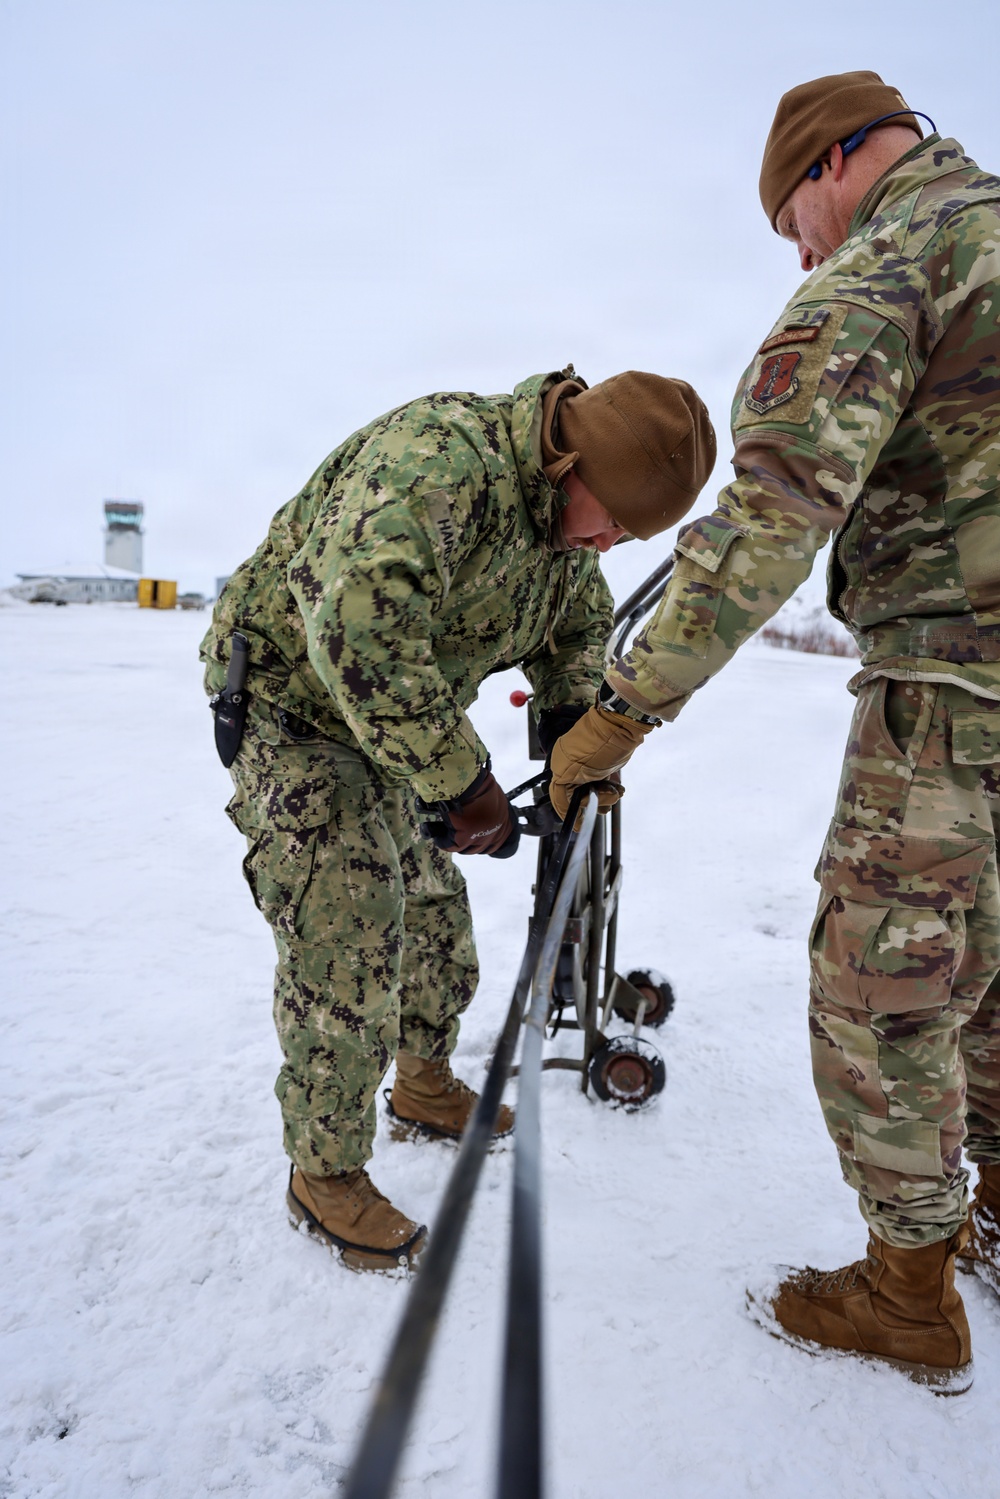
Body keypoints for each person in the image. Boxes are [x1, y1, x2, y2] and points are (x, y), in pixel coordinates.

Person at [548, 71, 1000, 1391]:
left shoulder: (886, 269)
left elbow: (765, 530)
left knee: (888, 982)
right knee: (993, 962)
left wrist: (621, 710)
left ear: (835, 161)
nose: (803, 249)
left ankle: (908, 1295)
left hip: (954, 689)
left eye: (792, 218)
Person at [202, 367, 715, 1272]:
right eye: (608, 518)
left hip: (395, 722)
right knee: (350, 930)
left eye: (626, 537)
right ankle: (323, 1172)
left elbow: (576, 631)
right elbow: (358, 627)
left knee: (436, 916)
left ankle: (423, 1082)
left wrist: (569, 732)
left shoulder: (567, 533)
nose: (603, 543)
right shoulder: (440, 464)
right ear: (572, 457)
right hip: (297, 709)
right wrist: (461, 779)